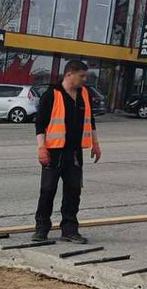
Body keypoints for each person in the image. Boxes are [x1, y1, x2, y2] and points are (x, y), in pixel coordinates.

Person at [33, 60, 103, 244]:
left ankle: (70, 230)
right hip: (54, 152)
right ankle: (41, 229)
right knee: (48, 190)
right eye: (82, 76)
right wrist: (41, 148)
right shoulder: (51, 94)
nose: (84, 79)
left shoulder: (84, 94)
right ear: (69, 74)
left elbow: (90, 120)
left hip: (74, 152)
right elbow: (40, 124)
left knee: (73, 191)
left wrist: (95, 144)